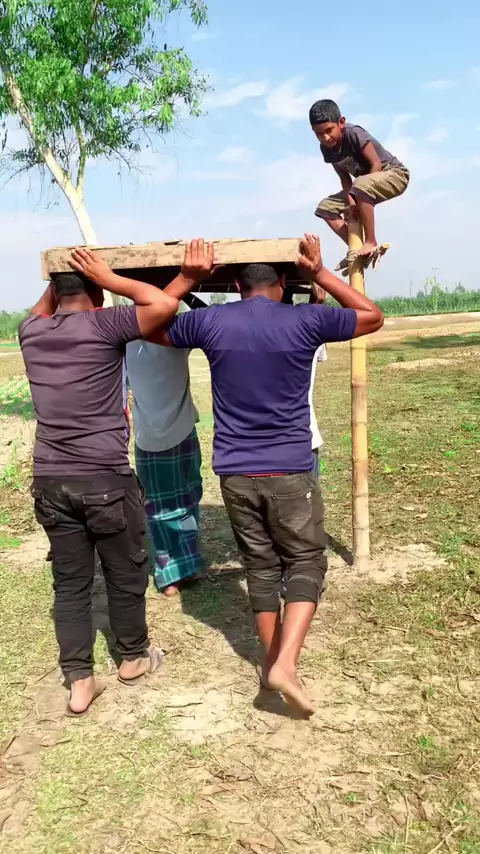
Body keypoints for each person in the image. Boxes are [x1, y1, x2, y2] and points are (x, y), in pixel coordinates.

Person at [149, 233, 384, 716]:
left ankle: (271, 660)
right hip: (290, 469)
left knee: (260, 567)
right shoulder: (306, 319)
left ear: (237, 286)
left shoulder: (210, 321)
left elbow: (150, 324)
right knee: (306, 562)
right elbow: (372, 316)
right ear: (281, 283)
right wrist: (320, 273)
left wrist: (187, 278)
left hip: (235, 471)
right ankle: (285, 665)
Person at [19, 240, 215, 716]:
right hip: (103, 478)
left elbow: (44, 306)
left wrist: (64, 278)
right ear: (98, 294)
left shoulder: (30, 332)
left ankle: (80, 680)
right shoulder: (105, 325)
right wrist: (109, 277)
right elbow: (162, 304)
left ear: (53, 291)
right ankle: (132, 658)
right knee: (124, 572)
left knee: (70, 584)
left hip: (50, 480)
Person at [126, 294, 208, 598]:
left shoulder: (126, 339)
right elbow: (212, 317)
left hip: (148, 437)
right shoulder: (176, 335)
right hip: (180, 432)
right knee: (187, 499)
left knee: (158, 508)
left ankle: (170, 574)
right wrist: (186, 294)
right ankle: (188, 565)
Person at [310, 99, 409, 266]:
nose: (325, 137)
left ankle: (371, 241)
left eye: (329, 130)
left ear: (341, 122)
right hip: (361, 186)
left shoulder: (354, 133)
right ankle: (356, 247)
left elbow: (375, 164)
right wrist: (351, 201)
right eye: (318, 134)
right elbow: (344, 178)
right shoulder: (326, 148)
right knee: (326, 207)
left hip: (394, 174)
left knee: (361, 183)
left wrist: (357, 195)